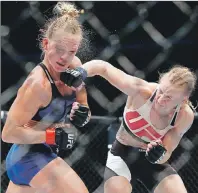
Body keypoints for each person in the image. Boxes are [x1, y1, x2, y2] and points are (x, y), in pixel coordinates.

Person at [2, 2, 91, 193]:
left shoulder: (74, 65)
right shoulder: (37, 85)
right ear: (46, 44)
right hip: (28, 158)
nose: (64, 58)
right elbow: (8, 133)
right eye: (59, 49)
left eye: (71, 51)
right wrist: (50, 135)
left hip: (44, 154)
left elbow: (81, 95)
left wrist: (84, 109)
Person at [74, 60, 196, 193]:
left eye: (169, 98)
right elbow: (103, 68)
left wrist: (159, 154)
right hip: (122, 152)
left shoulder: (184, 116)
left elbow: (168, 150)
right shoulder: (141, 91)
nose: (160, 99)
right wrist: (80, 71)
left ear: (183, 101)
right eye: (161, 91)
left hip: (152, 163)